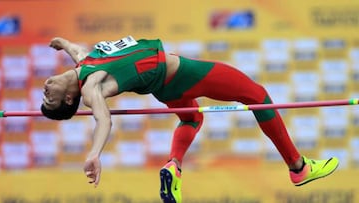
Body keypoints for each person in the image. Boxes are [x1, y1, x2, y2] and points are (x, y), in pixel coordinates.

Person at [41, 36, 339, 203]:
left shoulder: (83, 64)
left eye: (45, 96)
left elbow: (78, 50)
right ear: (70, 99)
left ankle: (174, 167)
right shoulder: (92, 86)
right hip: (181, 74)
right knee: (257, 96)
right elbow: (103, 119)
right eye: (49, 98)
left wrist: (63, 43)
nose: (45, 90)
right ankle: (297, 167)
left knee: (191, 118)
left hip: (164, 86)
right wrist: (94, 153)